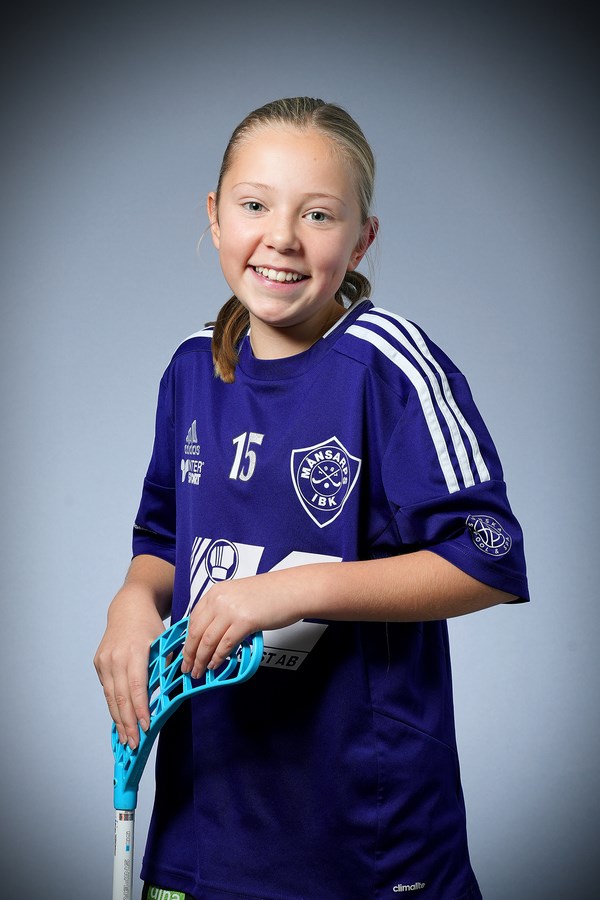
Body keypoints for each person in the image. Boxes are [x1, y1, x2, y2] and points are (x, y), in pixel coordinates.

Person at [94, 96, 528, 900]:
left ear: (362, 239)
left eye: (318, 214)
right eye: (254, 205)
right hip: (203, 825)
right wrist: (131, 603)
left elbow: (489, 557)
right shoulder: (191, 369)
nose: (282, 237)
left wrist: (290, 590)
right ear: (215, 217)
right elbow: (161, 540)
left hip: (363, 840)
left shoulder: (388, 365)